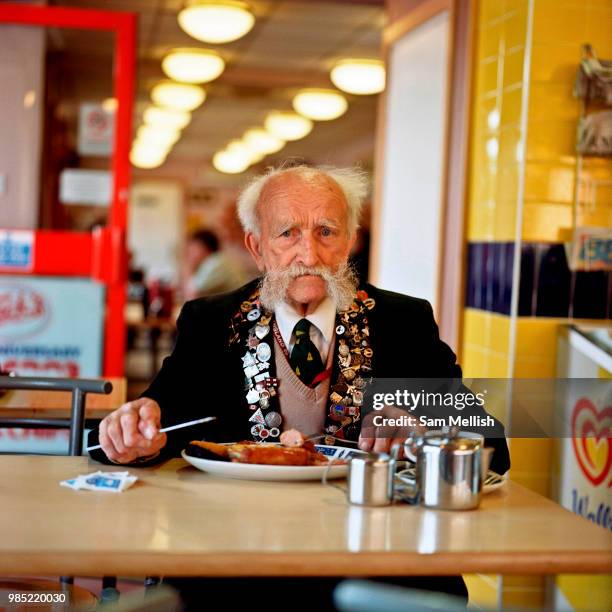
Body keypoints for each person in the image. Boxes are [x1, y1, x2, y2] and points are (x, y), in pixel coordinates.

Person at [88, 164, 510, 609]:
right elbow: (160, 423)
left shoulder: (401, 323)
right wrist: (132, 431)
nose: (308, 253)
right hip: (238, 563)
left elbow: (490, 445)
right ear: (257, 246)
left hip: (375, 563)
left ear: (349, 241)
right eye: (287, 233)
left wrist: (421, 427)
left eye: (327, 232)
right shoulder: (211, 321)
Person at [182, 228, 248, 299]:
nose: (190, 253)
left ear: (203, 247)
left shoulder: (215, 263)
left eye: (193, 248)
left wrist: (189, 266)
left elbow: (191, 295)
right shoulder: (218, 260)